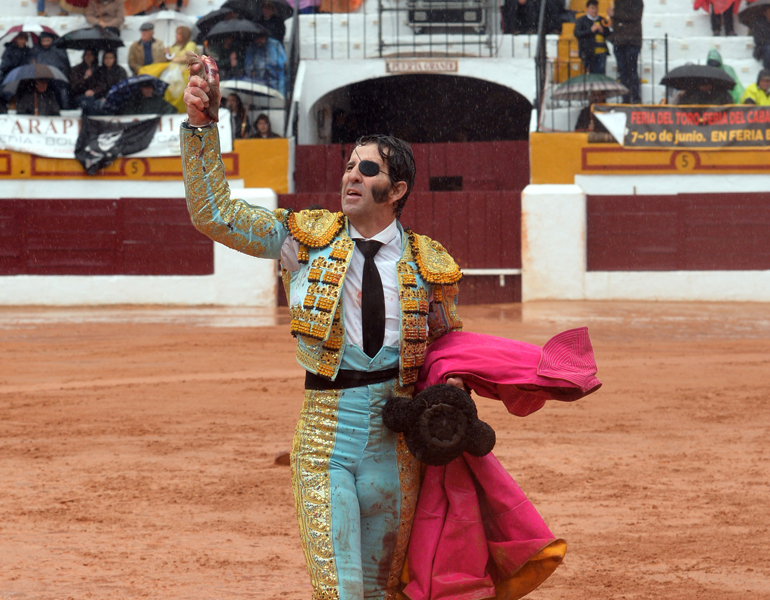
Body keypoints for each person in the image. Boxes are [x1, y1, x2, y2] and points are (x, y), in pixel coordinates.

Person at [182, 64, 467, 600]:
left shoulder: (432, 267)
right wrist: (202, 127)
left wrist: (452, 411)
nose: (350, 177)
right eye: (349, 167)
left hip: (396, 443)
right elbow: (212, 214)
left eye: (366, 169)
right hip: (324, 439)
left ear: (397, 188)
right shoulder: (301, 239)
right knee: (339, 590)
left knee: (381, 589)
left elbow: (447, 359)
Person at [609, 0, 643, 104]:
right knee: (622, 72)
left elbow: (634, 16)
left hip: (632, 41)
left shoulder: (637, 2)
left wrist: (615, 15)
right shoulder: (617, 2)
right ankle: (626, 99)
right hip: (619, 42)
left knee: (632, 71)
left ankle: (636, 98)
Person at [31, 32, 72, 109]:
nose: (45, 43)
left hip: (58, 80)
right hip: (42, 80)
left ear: (52, 40)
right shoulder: (36, 51)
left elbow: (65, 66)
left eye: (47, 40)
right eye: (43, 41)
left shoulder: (59, 50)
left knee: (63, 94)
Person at [574, 0, 611, 75]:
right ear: (587, 9)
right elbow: (577, 33)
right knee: (590, 74)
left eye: (596, 8)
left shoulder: (602, 20)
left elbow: (608, 34)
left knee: (601, 73)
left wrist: (602, 31)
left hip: (601, 52)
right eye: (592, 8)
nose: (594, 10)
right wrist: (590, 30)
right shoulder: (581, 20)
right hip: (588, 52)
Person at [751, 5, 770, 72]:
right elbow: (758, 40)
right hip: (762, 47)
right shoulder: (758, 23)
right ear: (765, 13)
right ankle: (767, 72)